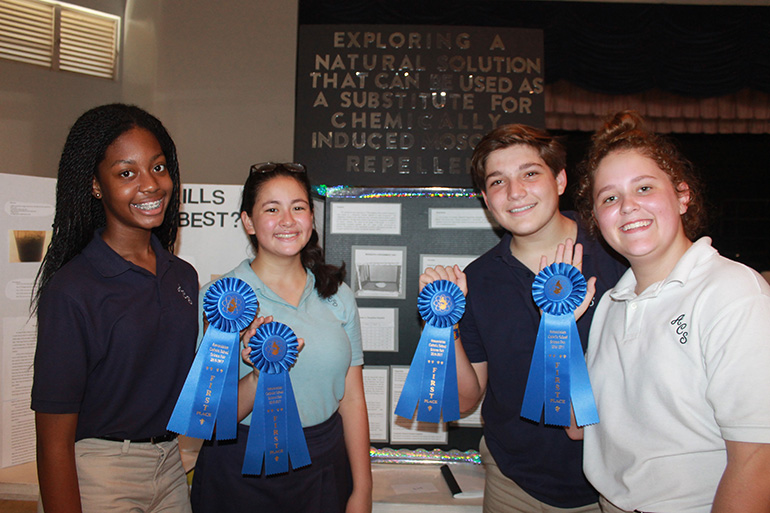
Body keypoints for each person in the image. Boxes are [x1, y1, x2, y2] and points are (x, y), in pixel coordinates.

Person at [420, 124, 626, 513]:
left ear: (560, 179)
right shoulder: (478, 280)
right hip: (515, 484)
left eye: (530, 173)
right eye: (498, 181)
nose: (515, 192)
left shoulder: (617, 255)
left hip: (616, 481)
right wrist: (447, 328)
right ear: (485, 199)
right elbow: (466, 399)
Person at [574, 110, 770, 512]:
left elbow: (756, 462)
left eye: (644, 188)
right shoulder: (611, 303)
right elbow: (579, 427)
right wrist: (557, 330)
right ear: (597, 219)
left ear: (682, 196)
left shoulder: (732, 292)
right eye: (609, 197)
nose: (628, 206)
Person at [31, 104, 198, 513]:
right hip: (101, 474)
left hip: (171, 467)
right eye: (127, 173)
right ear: (95, 185)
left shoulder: (183, 277)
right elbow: (52, 439)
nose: (151, 185)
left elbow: (189, 395)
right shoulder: (72, 290)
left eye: (159, 168)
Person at [189, 162, 372, 513]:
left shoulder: (338, 295)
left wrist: (362, 488)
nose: (288, 220)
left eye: (298, 207)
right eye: (272, 209)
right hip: (240, 470)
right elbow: (208, 420)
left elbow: (352, 400)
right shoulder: (222, 299)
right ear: (248, 222)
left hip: (325, 464)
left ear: (312, 217)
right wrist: (258, 376)